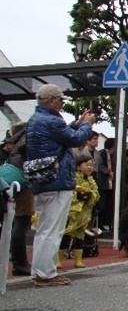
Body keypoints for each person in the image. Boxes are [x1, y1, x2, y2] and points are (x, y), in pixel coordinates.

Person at [27, 84, 95, 286]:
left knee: (44, 229)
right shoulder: (50, 120)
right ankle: (46, 273)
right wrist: (87, 125)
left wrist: (77, 123)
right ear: (49, 100)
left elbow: (63, 136)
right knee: (53, 229)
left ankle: (40, 271)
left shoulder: (37, 119)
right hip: (56, 180)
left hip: (44, 180)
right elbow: (74, 139)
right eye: (59, 100)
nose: (61, 103)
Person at [1, 122, 34, 276]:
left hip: (11, 182)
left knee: (15, 222)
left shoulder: (15, 145)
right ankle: (20, 263)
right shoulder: (26, 141)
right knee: (22, 221)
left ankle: (17, 261)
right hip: (22, 183)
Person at [59, 155, 100, 269]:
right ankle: (58, 260)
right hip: (72, 213)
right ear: (78, 166)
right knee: (66, 235)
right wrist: (79, 195)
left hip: (85, 213)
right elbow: (69, 193)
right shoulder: (73, 179)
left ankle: (78, 260)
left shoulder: (91, 180)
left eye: (91, 165)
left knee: (80, 237)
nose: (89, 167)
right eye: (86, 165)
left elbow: (96, 195)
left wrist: (91, 195)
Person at [96, 138, 115, 233]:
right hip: (103, 183)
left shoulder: (113, 155)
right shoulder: (102, 153)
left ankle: (104, 224)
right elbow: (100, 165)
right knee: (101, 205)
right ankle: (99, 224)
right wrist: (108, 172)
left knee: (108, 204)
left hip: (110, 184)